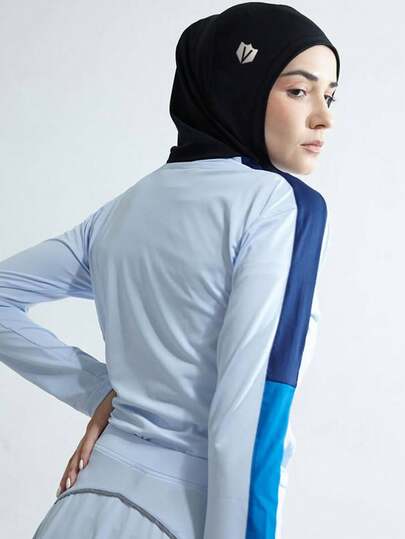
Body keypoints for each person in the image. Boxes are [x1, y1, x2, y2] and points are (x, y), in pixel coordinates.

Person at [0, 3, 340, 538]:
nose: (324, 117)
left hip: (79, 507)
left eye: (330, 95)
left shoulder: (120, 211)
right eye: (298, 91)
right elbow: (252, 412)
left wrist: (100, 393)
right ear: (241, 87)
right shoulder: (282, 206)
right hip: (187, 516)